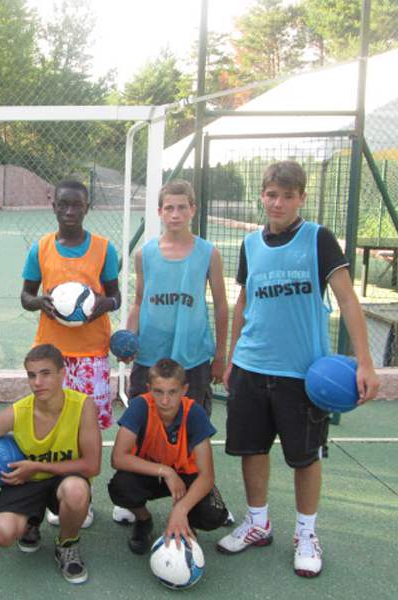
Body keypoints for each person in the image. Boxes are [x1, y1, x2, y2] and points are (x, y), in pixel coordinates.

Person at [218, 160, 380, 578]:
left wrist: (365, 362)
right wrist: (233, 356)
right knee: (251, 448)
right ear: (262, 195)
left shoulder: (318, 239)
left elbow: (347, 301)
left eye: (288, 196)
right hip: (252, 366)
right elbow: (243, 302)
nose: (278, 202)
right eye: (272, 194)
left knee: (305, 458)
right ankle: (258, 523)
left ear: (301, 198)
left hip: (301, 373)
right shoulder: (251, 245)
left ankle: (306, 534)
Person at [20, 179, 121, 527]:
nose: (70, 211)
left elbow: (116, 297)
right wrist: (40, 303)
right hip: (51, 356)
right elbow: (26, 295)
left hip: (91, 352)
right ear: (53, 206)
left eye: (77, 205)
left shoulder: (105, 249)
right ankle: (53, 494)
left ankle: (83, 497)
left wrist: (100, 305)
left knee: (85, 430)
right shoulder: (41, 248)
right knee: (52, 426)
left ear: (87, 207)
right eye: (63, 204)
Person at [0, 344, 101, 585]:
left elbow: (92, 466)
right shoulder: (20, 411)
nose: (37, 382)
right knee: (1, 532)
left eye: (45, 373)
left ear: (62, 374)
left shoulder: (82, 406)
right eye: (32, 375)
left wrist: (38, 468)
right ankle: (30, 524)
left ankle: (66, 544)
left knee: (77, 491)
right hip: (25, 482)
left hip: (62, 480)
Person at [125, 180, 228, 417]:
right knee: (143, 425)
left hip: (192, 357)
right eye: (169, 208)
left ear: (193, 209)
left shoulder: (209, 253)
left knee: (192, 428)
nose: (176, 214)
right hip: (150, 355)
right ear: (159, 212)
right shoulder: (144, 254)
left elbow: (221, 306)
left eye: (182, 207)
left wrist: (220, 355)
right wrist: (130, 337)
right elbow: (139, 302)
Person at [108, 358, 229, 555]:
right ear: (149, 388)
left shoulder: (194, 413)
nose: (165, 400)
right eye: (158, 392)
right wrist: (166, 472)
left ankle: (186, 522)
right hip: (152, 473)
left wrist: (181, 509)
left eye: (172, 392)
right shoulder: (140, 406)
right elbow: (118, 458)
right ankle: (144, 520)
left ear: (184, 389)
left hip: (187, 477)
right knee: (120, 487)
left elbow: (207, 476)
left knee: (213, 514)